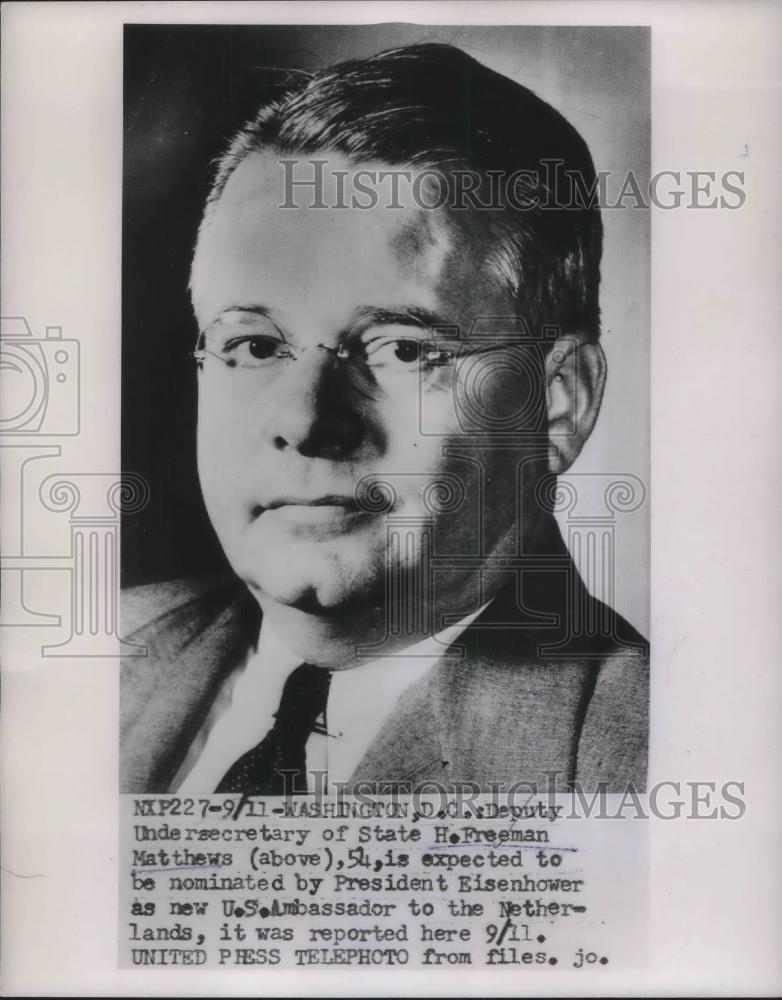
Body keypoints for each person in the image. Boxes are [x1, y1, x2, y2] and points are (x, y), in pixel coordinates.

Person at [120, 42, 648, 796]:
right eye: (255, 345)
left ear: (557, 402)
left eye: (402, 348)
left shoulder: (642, 760)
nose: (305, 422)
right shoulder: (76, 667)